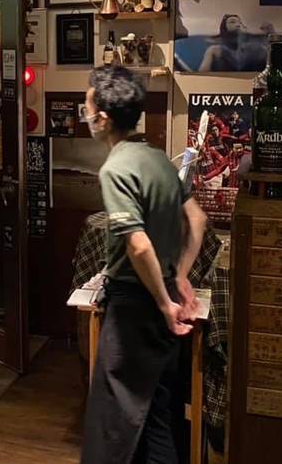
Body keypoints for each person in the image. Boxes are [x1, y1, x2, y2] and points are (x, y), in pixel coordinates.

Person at [81, 67, 207, 464]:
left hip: (135, 305)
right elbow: (198, 219)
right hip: (162, 292)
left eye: (87, 107)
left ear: (103, 118)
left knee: (117, 423)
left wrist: (165, 304)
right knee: (157, 416)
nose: (85, 115)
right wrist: (179, 277)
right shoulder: (160, 159)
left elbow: (137, 245)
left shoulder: (116, 168)